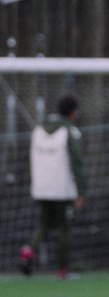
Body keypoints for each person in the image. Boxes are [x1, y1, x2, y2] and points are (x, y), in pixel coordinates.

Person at [20, 94, 87, 279]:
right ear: (73, 113)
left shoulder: (38, 130)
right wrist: (82, 191)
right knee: (65, 227)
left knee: (45, 223)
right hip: (62, 189)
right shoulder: (70, 131)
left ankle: (28, 251)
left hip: (40, 187)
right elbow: (78, 162)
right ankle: (63, 270)